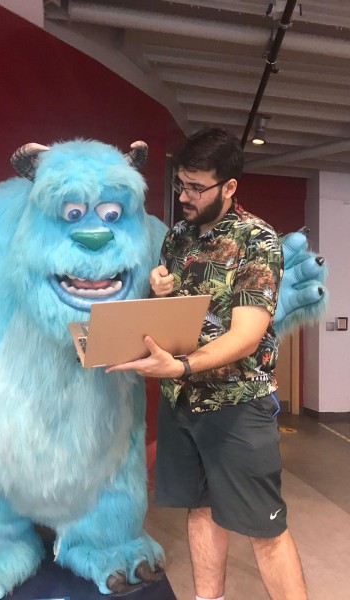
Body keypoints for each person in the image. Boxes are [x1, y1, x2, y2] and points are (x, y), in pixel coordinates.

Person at [106, 128, 308, 600]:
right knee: (199, 510)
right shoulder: (176, 237)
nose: (184, 196)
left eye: (197, 187)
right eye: (181, 184)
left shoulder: (257, 241)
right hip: (183, 405)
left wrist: (179, 368)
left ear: (230, 187)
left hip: (238, 406)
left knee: (265, 531)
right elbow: (181, 312)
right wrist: (161, 290)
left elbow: (245, 335)